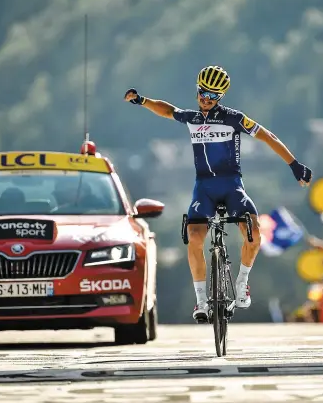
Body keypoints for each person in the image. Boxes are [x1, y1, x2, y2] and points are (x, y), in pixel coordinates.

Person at [124, 65, 313, 322]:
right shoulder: (192, 118)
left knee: (254, 232)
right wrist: (142, 100)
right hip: (204, 188)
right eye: (202, 93)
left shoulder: (234, 118)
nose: (205, 99)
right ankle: (201, 300)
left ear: (220, 98)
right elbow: (167, 110)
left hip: (232, 185)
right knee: (194, 236)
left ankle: (242, 282)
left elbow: (268, 137)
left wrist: (294, 165)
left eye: (212, 96)